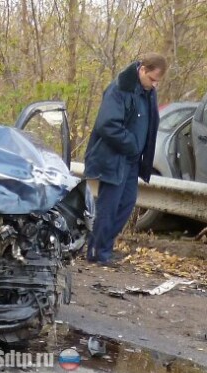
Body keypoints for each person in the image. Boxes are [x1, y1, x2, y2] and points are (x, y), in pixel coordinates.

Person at [84, 52, 167, 266]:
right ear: (142, 70)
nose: (155, 85)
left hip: (131, 160)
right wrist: (131, 144)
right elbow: (107, 125)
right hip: (113, 157)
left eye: (158, 81)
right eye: (152, 79)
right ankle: (97, 252)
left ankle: (103, 247)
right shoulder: (120, 88)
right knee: (109, 206)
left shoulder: (148, 91)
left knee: (127, 204)